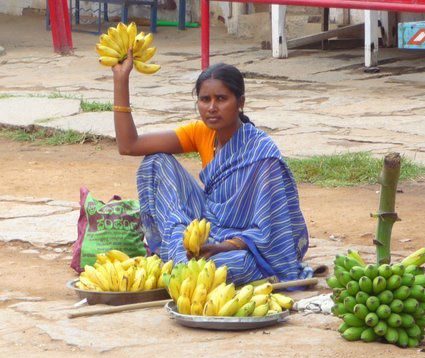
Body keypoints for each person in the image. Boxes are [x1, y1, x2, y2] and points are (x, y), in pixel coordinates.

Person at [112, 49, 312, 285]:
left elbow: (270, 229)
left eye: (221, 99)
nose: (212, 107)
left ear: (241, 103)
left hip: (240, 246)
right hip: (208, 225)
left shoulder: (262, 153)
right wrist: (121, 79)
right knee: (156, 162)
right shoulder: (202, 133)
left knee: (230, 266)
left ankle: (181, 267)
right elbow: (129, 145)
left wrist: (220, 247)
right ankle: (181, 257)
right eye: (205, 99)